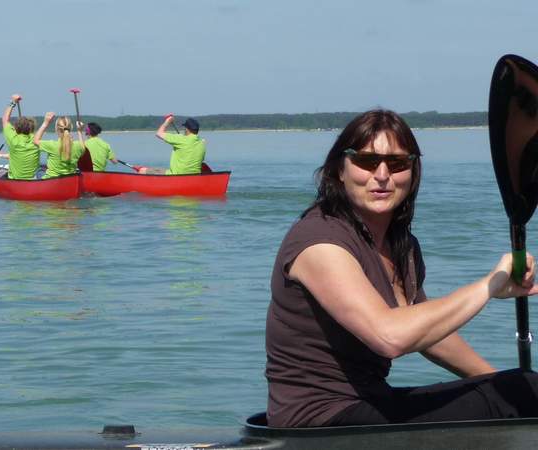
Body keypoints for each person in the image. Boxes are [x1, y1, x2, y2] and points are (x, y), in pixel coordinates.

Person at [266, 109, 538, 428]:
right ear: (340, 169)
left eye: (397, 164)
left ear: (412, 173)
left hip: (372, 402)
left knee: (521, 387)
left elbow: (428, 335)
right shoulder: (319, 242)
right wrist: (489, 286)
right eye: (367, 161)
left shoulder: (401, 246)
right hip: (315, 420)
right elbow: (388, 336)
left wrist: (501, 380)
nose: (382, 175)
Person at [138, 115, 206, 175]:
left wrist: (167, 121)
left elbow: (159, 133)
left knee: (142, 170)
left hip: (175, 176)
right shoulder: (202, 143)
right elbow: (200, 161)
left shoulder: (180, 138)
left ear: (187, 129)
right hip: (194, 177)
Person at [33, 112, 85, 179]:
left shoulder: (52, 145)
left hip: (51, 182)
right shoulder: (78, 146)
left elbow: (35, 141)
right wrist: (79, 131)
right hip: (69, 181)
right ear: (71, 127)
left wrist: (46, 123)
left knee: (39, 171)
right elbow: (83, 148)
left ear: (56, 129)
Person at [0, 94, 40, 180]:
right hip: (33, 181)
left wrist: (13, 102)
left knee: (0, 172)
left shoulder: (13, 139)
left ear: (16, 128)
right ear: (32, 129)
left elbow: (5, 120)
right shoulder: (36, 140)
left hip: (15, 181)